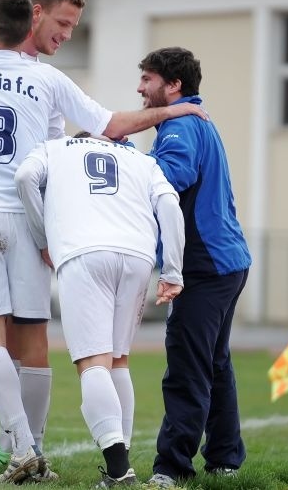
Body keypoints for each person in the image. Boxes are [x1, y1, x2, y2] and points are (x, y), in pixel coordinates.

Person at [0, 0, 204, 484]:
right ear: (32, 17)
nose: (66, 34)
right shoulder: (30, 74)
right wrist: (172, 111)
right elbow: (109, 125)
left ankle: (12, 445)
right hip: (24, 215)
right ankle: (4, 444)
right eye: (61, 23)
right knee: (2, 337)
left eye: (73, 27)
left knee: (12, 339)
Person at [14, 131, 185, 487]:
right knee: (118, 359)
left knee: (93, 362)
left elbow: (25, 177)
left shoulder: (55, 147)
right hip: (137, 255)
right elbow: (170, 204)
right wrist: (172, 269)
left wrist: (43, 237)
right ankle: (120, 467)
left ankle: (120, 471)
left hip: (84, 252)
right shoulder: (140, 159)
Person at [137, 47, 252, 488]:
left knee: (187, 364)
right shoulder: (195, 119)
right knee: (214, 363)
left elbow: (170, 178)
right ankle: (224, 458)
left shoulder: (180, 124)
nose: (140, 89)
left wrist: (122, 160)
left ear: (173, 85)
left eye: (147, 79)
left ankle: (172, 468)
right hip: (226, 261)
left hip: (205, 266)